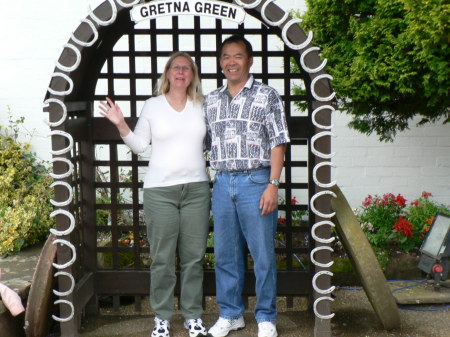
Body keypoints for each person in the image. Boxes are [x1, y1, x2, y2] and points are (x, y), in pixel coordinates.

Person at [99, 52, 209, 337]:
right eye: (175, 67)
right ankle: (162, 317)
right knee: (162, 258)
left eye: (186, 68)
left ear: (192, 74)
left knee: (194, 257)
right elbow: (138, 145)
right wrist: (120, 122)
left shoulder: (203, 105)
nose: (181, 72)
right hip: (160, 192)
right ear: (167, 73)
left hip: (196, 189)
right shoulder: (153, 105)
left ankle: (193, 316)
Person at [203, 35, 290, 337]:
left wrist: (273, 184)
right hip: (223, 183)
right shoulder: (211, 99)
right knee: (226, 254)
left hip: (257, 181)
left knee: (262, 254)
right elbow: (205, 143)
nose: (231, 62)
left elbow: (279, 141)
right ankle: (230, 314)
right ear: (220, 62)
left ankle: (266, 317)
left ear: (249, 61)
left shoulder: (267, 95)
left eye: (237, 56)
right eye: (226, 56)